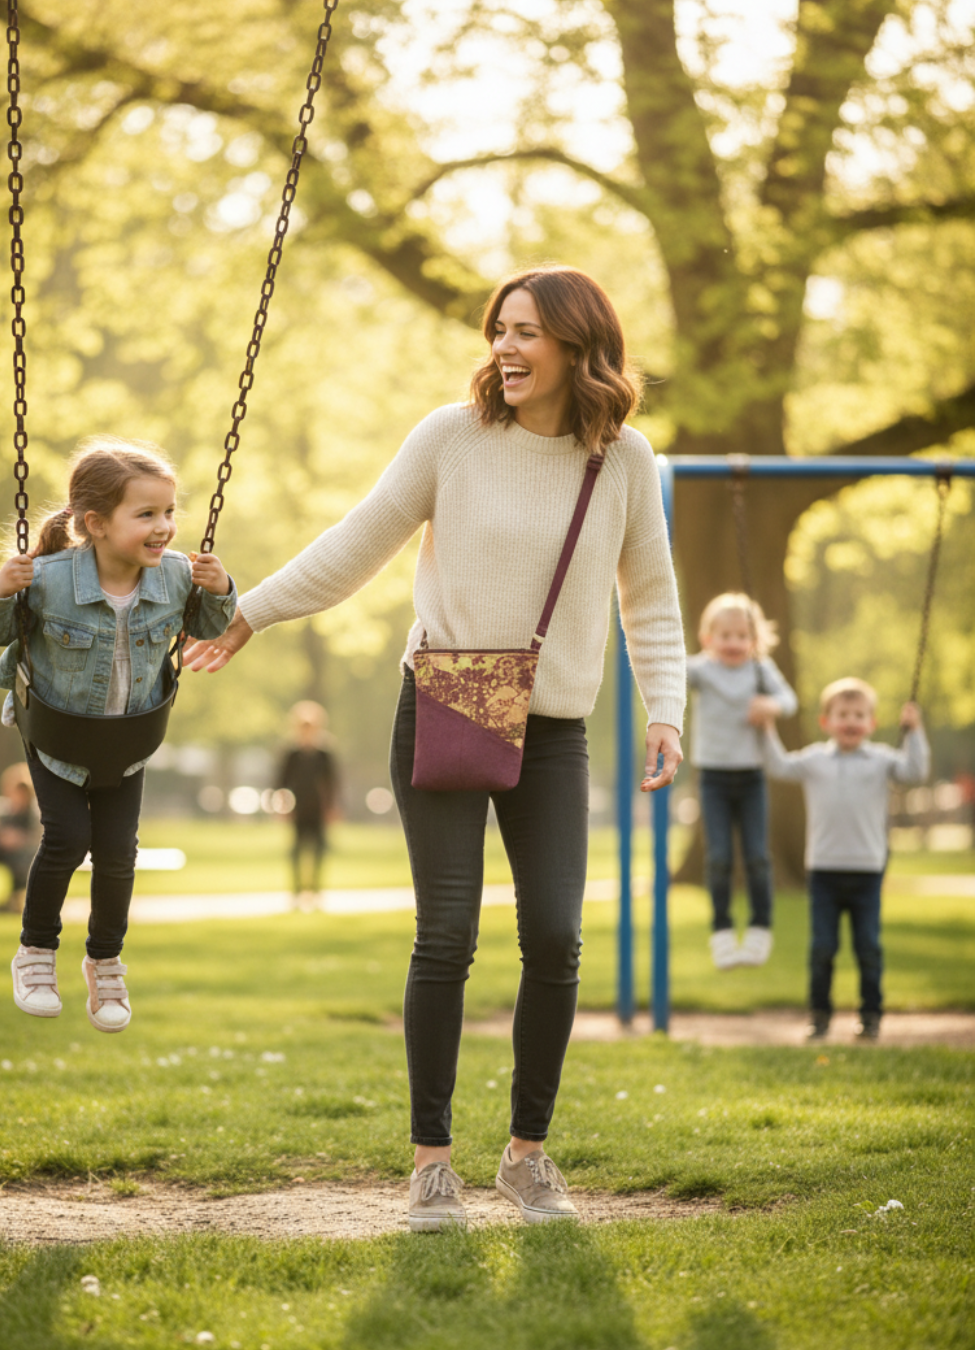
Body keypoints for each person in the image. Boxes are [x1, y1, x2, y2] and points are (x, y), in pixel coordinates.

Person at [185, 265, 686, 1231]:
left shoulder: (625, 460)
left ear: (581, 345)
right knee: (446, 934)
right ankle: (431, 1164)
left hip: (551, 728)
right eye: (499, 329)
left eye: (527, 332)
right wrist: (251, 613)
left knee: (553, 934)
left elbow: (651, 597)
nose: (503, 347)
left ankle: (527, 1155)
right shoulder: (450, 439)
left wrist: (665, 707)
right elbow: (358, 542)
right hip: (448, 705)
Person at [0, 438, 237, 1031]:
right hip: (55, 733)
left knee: (119, 852)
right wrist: (0, 590)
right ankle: (36, 951)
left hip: (127, 736)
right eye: (146, 514)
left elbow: (207, 624)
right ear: (94, 523)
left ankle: (106, 962)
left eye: (169, 512)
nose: (164, 527)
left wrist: (220, 590)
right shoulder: (47, 578)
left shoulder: (174, 577)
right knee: (67, 836)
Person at [761, 677, 929, 1042]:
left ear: (871, 722)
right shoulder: (814, 760)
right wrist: (767, 725)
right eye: (842, 714)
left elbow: (915, 772)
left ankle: (871, 1017)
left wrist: (914, 731)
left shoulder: (882, 760)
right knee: (823, 947)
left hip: (868, 870)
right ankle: (819, 1015)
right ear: (826, 722)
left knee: (868, 947)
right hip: (823, 871)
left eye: (859, 715)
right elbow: (777, 766)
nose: (851, 721)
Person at [687, 593, 798, 970]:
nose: (733, 643)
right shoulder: (701, 670)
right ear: (708, 638)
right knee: (718, 856)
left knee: (757, 856)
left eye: (741, 635)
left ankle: (760, 927)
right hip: (713, 778)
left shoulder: (759, 670)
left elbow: (789, 699)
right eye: (725, 635)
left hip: (751, 776)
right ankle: (721, 930)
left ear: (754, 639)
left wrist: (771, 706)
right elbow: (670, 670)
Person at [275, 700, 340, 910]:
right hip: (298, 809)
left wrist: (331, 808)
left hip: (318, 809)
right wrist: (283, 808)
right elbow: (282, 782)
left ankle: (316, 890)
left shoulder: (324, 753)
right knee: (296, 851)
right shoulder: (291, 753)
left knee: (319, 850)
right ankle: (296, 892)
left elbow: (332, 782)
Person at [0, 763, 41, 916]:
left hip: (28, 852)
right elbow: (1, 828)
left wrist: (19, 839)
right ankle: (12, 900)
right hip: (11, 851)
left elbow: (36, 836)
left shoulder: (33, 812)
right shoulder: (11, 809)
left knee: (20, 862)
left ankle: (15, 900)